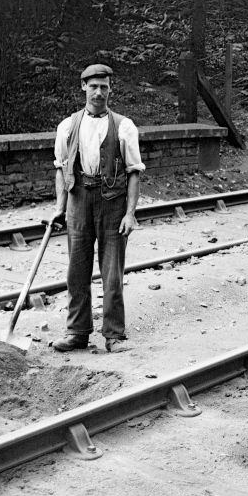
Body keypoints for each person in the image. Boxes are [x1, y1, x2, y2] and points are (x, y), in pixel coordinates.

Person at [49, 64, 145, 353]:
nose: (99, 92)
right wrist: (59, 207)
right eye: (93, 86)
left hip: (112, 204)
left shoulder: (124, 126)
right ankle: (78, 333)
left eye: (104, 87)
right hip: (78, 201)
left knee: (112, 272)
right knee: (76, 272)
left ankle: (114, 335)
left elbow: (134, 172)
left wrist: (130, 214)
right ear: (83, 88)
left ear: (110, 89)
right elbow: (60, 168)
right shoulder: (68, 126)